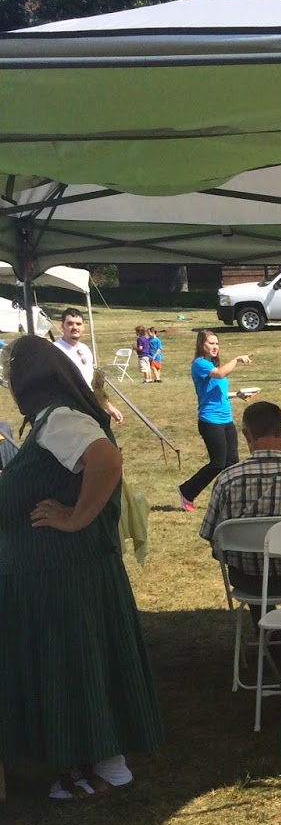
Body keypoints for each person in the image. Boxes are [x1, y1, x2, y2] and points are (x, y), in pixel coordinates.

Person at [0, 335, 164, 800]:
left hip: (68, 573)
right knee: (76, 665)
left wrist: (75, 517)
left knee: (83, 664)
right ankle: (90, 759)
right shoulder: (52, 418)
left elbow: (105, 460)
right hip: (60, 572)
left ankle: (110, 767)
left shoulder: (61, 418)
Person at [199, 400, 281, 599]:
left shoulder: (227, 480)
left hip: (247, 581)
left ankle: (261, 614)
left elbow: (211, 535)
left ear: (246, 434)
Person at [178, 328, 251, 513]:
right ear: (201, 345)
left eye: (217, 343)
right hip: (210, 421)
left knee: (232, 462)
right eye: (211, 343)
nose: (215, 347)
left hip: (226, 420)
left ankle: (231, 499)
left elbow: (218, 392)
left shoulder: (211, 365)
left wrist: (237, 395)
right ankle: (187, 491)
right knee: (218, 463)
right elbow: (219, 374)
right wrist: (237, 359)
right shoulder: (200, 364)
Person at [55, 306, 124, 426]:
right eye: (70, 323)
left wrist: (108, 407)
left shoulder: (85, 349)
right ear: (63, 326)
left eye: (78, 324)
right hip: (68, 411)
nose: (75, 327)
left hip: (89, 406)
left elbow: (94, 385)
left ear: (83, 326)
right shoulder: (55, 350)